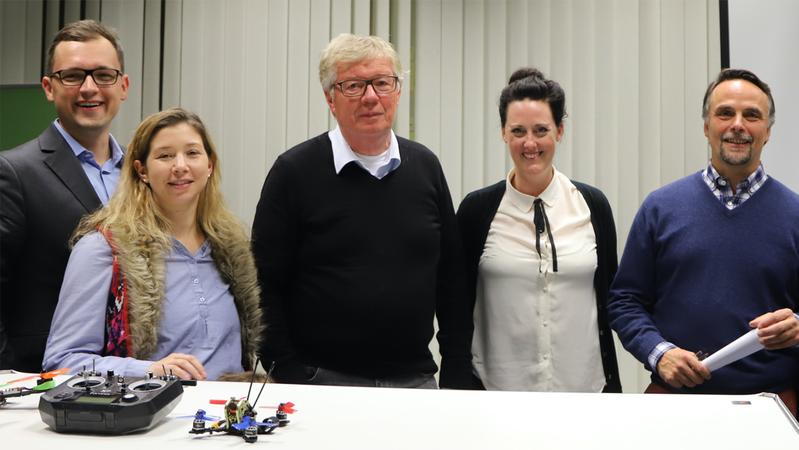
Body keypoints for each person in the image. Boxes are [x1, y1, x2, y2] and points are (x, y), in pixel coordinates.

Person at [251, 33, 472, 388]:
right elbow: (264, 285)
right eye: (353, 85)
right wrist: (288, 372)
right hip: (321, 382)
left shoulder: (425, 167)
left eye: (382, 83)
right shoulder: (293, 173)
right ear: (330, 98)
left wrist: (458, 369)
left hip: (414, 382)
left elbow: (452, 281)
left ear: (398, 91)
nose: (371, 97)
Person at [608, 68, 799, 414]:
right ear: (706, 126)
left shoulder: (796, 214)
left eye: (751, 115)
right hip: (673, 403)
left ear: (768, 132)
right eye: (725, 113)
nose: (737, 125)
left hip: (772, 410)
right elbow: (625, 301)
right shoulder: (660, 207)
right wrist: (659, 353)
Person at [42, 108, 263, 380]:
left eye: (192, 153)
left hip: (225, 415)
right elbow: (61, 362)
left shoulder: (231, 248)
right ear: (141, 170)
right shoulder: (103, 248)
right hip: (157, 416)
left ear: (210, 165)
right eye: (165, 155)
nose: (180, 166)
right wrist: (147, 370)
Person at [456, 68, 621, 392]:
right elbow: (455, 309)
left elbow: (614, 298)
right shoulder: (477, 211)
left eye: (541, 130)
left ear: (559, 131)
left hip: (584, 394)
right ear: (503, 133)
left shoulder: (592, 206)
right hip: (496, 396)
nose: (529, 143)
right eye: (518, 131)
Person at [0, 20, 130, 372]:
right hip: (42, 381)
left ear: (123, 86)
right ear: (48, 87)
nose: (89, 88)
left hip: (138, 377)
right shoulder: (14, 172)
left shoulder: (142, 173)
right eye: (72, 76)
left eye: (103, 75)